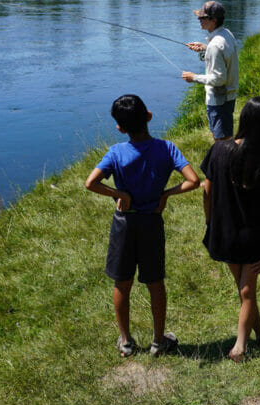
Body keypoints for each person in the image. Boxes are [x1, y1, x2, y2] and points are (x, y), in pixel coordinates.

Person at [84, 94, 200, 357]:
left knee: (122, 282)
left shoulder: (115, 152)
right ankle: (159, 342)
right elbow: (193, 181)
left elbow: (90, 183)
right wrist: (166, 194)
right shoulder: (167, 149)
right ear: (149, 116)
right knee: (155, 282)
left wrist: (120, 195)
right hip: (151, 223)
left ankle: (126, 341)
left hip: (124, 224)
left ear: (120, 128)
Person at [200, 96, 260, 363]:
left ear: (243, 119)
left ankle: (259, 332)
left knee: (244, 288)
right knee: (247, 290)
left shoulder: (219, 150)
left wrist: (209, 222)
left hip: (223, 231)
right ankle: (240, 347)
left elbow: (206, 189)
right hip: (252, 235)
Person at [182, 0, 239, 140]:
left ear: (213, 20)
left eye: (202, 17)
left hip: (219, 100)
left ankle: (232, 160)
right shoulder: (226, 34)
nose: (199, 20)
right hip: (227, 97)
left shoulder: (215, 45)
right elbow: (223, 55)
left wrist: (193, 77)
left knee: (223, 141)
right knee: (220, 136)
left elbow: (219, 79)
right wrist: (204, 48)